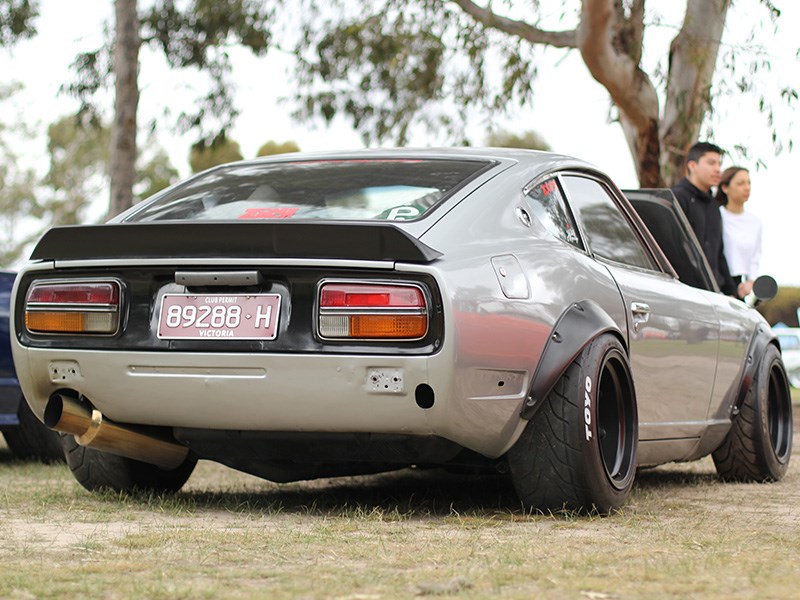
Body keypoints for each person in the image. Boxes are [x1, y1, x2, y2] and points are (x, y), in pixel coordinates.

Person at [671, 142, 737, 296]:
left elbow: (718, 253)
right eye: (711, 163)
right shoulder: (677, 198)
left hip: (712, 292)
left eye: (719, 164)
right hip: (684, 291)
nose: (717, 169)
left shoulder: (714, 206)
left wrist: (731, 291)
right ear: (693, 165)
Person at [716, 166, 762, 298]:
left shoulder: (755, 222)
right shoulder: (718, 216)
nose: (747, 188)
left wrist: (750, 282)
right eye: (740, 183)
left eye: (749, 182)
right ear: (725, 188)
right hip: (717, 284)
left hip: (741, 288)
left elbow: (755, 257)